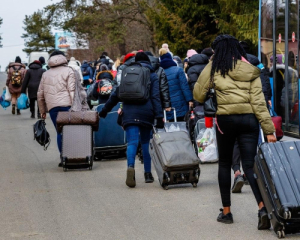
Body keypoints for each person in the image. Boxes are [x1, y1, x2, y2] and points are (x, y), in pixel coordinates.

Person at [193, 35, 276, 229]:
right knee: (250, 165)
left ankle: (227, 212)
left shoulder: (215, 68)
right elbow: (259, 102)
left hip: (226, 120)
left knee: (224, 163)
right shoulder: (250, 69)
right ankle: (263, 208)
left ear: (217, 52)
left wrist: (211, 65)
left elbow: (198, 94)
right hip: (249, 120)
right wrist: (269, 129)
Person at [98, 52, 163, 188]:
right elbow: (156, 97)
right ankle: (147, 174)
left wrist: (104, 110)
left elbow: (116, 94)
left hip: (129, 111)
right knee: (146, 142)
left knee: (132, 142)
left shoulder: (127, 74)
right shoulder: (152, 75)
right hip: (146, 112)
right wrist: (159, 116)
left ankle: (130, 167)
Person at [38, 50, 75, 166]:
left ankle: (63, 157)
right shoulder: (69, 71)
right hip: (67, 105)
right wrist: (75, 106)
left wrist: (42, 111)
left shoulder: (45, 74)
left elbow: (40, 94)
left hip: (53, 107)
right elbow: (72, 90)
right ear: (63, 58)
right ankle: (72, 156)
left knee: (60, 131)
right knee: (69, 131)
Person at [160, 48, 193, 121]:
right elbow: (184, 87)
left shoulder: (160, 72)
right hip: (181, 102)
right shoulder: (178, 70)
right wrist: (190, 100)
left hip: (168, 105)